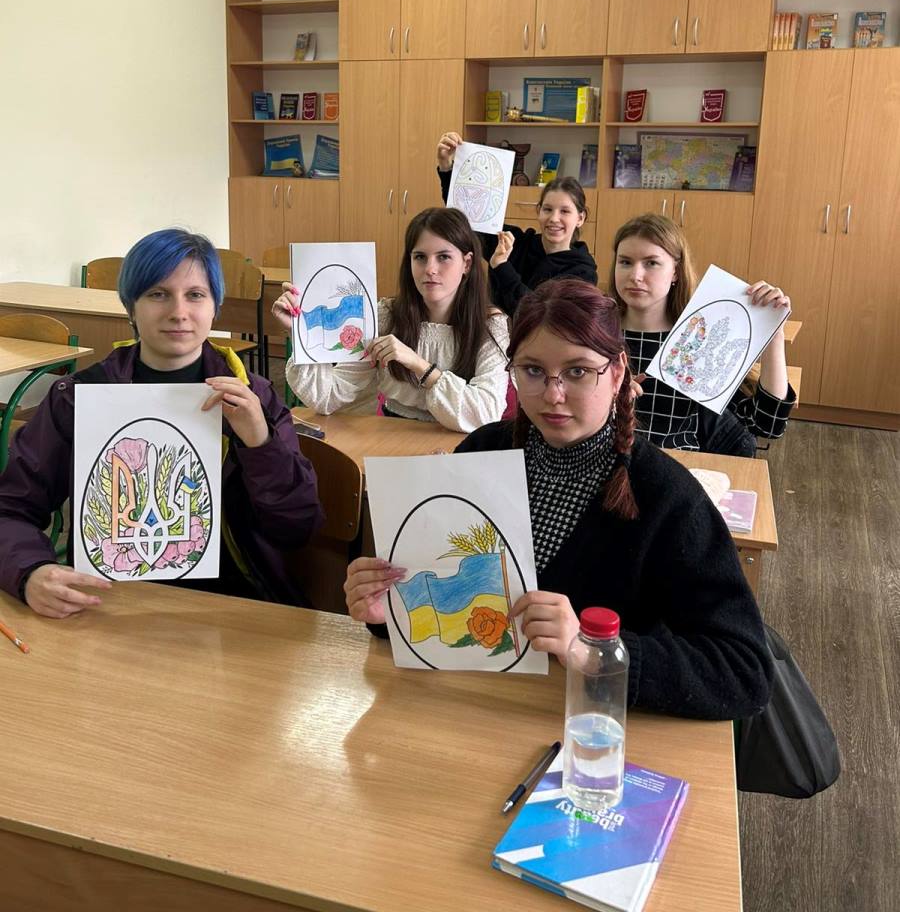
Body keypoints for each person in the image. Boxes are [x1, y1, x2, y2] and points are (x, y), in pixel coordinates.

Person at [344, 279, 771, 721]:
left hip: (589, 728)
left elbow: (744, 672)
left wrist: (593, 647)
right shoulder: (481, 454)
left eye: (578, 371)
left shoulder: (665, 496)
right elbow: (450, 609)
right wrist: (388, 611)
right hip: (474, 711)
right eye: (532, 370)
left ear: (618, 372)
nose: (553, 395)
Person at [0, 229, 323, 617]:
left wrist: (260, 443)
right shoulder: (78, 397)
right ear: (131, 307)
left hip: (234, 601)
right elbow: (10, 508)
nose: (178, 312)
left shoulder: (255, 397)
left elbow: (297, 529)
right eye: (157, 294)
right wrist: (29, 572)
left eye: (195, 295)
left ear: (215, 307)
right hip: (108, 600)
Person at [276, 207, 509, 434]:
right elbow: (328, 397)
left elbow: (486, 413)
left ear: (466, 263)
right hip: (393, 436)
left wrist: (419, 366)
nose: (430, 269)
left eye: (444, 257)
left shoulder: (491, 326)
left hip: (461, 446)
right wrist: (301, 333)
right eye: (420, 257)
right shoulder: (386, 316)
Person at [611, 214, 796, 455]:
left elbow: (766, 424)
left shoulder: (698, 338)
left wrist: (774, 332)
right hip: (609, 463)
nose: (635, 275)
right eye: (625, 262)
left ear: (676, 272)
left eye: (651, 263)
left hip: (682, 467)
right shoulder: (596, 334)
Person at [436, 131, 597, 316]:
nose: (554, 218)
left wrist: (501, 266)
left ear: (580, 218)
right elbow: (469, 219)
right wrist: (447, 167)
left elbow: (540, 315)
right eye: (547, 209)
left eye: (565, 211)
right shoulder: (514, 243)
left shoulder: (583, 271)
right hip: (495, 332)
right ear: (538, 211)